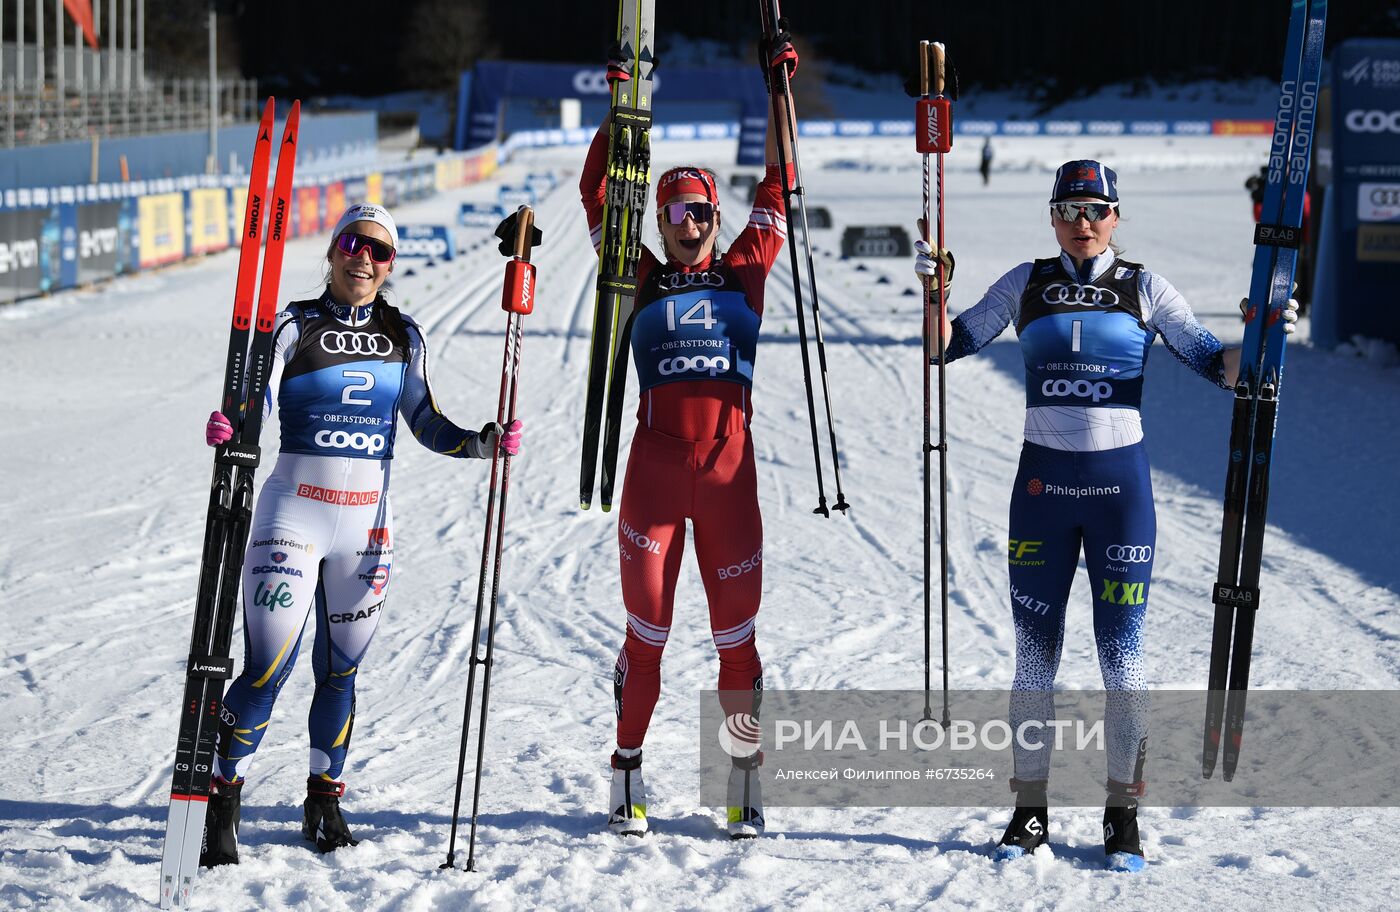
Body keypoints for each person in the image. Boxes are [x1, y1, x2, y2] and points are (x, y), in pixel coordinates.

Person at [914, 161, 1295, 871]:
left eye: (1096, 209)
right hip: (1041, 494)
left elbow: (1221, 367)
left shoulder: (1146, 287)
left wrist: (1271, 336)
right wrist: (934, 294)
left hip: (1121, 495)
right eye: (1069, 209)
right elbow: (944, 346)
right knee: (1034, 660)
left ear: (1116, 216)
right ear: (1051, 216)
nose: (1083, 223)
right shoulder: (1024, 284)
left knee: (1122, 659)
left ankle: (1124, 815)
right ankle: (1029, 812)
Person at [198, 203, 523, 864]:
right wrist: (234, 425)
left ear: (390, 265)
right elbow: (253, 395)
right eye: (353, 243)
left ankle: (323, 799)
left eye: (379, 252)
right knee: (267, 666)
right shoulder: (293, 323)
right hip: (293, 514)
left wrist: (481, 443)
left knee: (341, 670)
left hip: (367, 528)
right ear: (333, 250)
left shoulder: (405, 334)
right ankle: (222, 795)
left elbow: (426, 421)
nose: (363, 259)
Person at [582, 36, 799, 840]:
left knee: (736, 640)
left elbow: (780, 182)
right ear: (660, 220)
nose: (688, 224)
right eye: (673, 213)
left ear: (717, 214)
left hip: (729, 476)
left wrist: (777, 87)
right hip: (655, 474)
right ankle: (627, 769)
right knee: (649, 634)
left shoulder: (746, 266)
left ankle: (743, 779)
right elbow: (595, 192)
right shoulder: (635, 275)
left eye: (701, 210)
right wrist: (618, 114)